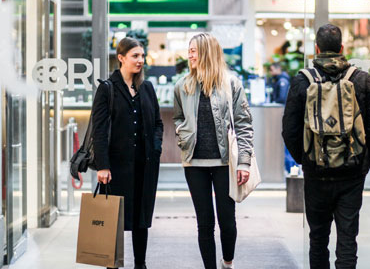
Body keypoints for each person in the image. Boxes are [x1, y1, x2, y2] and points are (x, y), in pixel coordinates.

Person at [282, 24, 370, 268]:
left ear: (316, 48)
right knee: (348, 239)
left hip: (316, 174)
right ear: (342, 48)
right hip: (351, 173)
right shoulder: (361, 79)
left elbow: (290, 130)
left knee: (318, 239)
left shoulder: (302, 81)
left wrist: (305, 160)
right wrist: (364, 163)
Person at [173, 33, 254, 269]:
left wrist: (244, 162)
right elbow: (178, 116)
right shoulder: (182, 86)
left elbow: (244, 123)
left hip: (224, 163)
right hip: (194, 163)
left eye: (194, 50)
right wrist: (182, 135)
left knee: (227, 222)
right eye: (189, 50)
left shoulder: (231, 84)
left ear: (207, 52)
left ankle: (227, 262)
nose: (189, 55)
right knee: (204, 223)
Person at [92, 37, 164, 269]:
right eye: (135, 56)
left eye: (142, 56)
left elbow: (158, 124)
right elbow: (99, 130)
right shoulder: (107, 89)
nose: (140, 60)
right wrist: (103, 165)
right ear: (121, 58)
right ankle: (112, 264)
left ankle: (140, 264)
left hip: (144, 165)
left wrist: (155, 147)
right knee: (114, 218)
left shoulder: (147, 87)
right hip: (116, 167)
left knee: (141, 218)